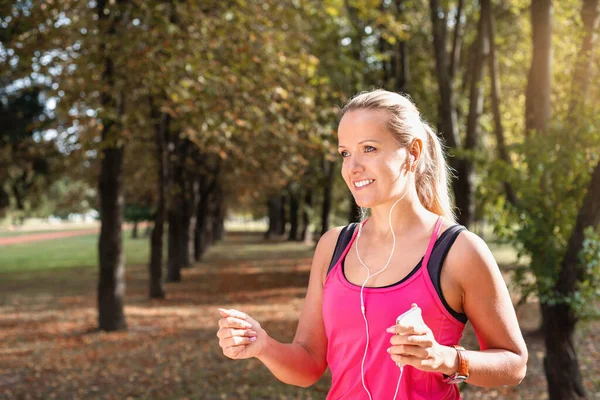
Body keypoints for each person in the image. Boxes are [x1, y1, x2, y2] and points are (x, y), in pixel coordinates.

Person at [216, 89, 528, 399]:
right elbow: (309, 363)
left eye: (369, 148)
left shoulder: (458, 251)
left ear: (413, 152)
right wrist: (263, 345)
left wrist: (444, 358)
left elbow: (514, 364)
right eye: (345, 153)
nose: (352, 167)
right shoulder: (333, 246)